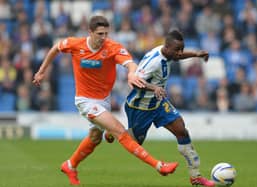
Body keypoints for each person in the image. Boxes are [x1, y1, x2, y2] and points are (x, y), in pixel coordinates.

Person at [32, 15, 178, 185]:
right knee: (119, 130)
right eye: (100, 34)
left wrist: (131, 72)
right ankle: (159, 166)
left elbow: (130, 63)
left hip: (104, 100)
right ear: (90, 32)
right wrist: (42, 71)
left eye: (106, 34)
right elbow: (55, 48)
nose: (103, 38)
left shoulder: (113, 47)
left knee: (95, 137)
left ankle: (70, 165)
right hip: (85, 101)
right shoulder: (75, 44)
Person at [122, 30, 215, 187]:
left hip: (158, 104)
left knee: (181, 130)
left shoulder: (169, 53)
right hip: (140, 107)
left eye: (181, 49)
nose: (179, 53)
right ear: (167, 47)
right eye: (177, 50)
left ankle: (195, 177)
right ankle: (112, 130)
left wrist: (196, 54)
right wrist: (154, 88)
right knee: (134, 143)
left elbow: (179, 56)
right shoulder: (154, 62)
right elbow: (134, 82)